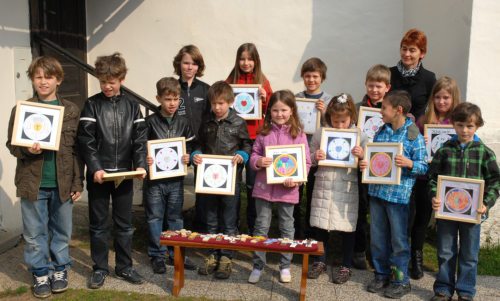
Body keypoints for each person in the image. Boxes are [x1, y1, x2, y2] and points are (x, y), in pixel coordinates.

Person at [6, 56, 83, 298]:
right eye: (38, 76)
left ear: (58, 80)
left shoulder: (70, 110)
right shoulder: (22, 110)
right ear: (32, 79)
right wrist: (27, 149)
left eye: (48, 77)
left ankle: (59, 269)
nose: (43, 81)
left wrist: (77, 182)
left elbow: (76, 151)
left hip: (62, 182)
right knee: (34, 234)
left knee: (61, 231)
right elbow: (12, 145)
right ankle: (40, 272)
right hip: (33, 183)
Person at [78, 53, 148, 289]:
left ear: (122, 79)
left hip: (124, 176)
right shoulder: (92, 104)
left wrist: (140, 165)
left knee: (125, 225)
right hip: (99, 177)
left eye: (112, 82)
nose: (107, 86)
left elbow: (139, 140)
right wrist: (95, 168)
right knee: (98, 225)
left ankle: (125, 267)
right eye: (103, 82)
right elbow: (86, 140)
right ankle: (99, 268)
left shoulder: (132, 106)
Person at [359, 90, 428, 298]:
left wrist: (410, 164)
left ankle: (400, 280)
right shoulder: (383, 130)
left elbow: (424, 166)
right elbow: (377, 159)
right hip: (378, 193)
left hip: (399, 198)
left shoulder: (413, 134)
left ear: (398, 110)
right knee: (378, 238)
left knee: (398, 241)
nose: (380, 111)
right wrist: (366, 162)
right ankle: (381, 274)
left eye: (384, 108)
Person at [428, 102, 500, 301]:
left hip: (473, 214)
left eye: (470, 126)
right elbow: (433, 177)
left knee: (469, 254)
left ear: (477, 126)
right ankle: (443, 289)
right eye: (460, 125)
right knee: (445, 251)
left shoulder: (484, 152)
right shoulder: (444, 150)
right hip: (446, 213)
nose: (465, 130)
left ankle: (466, 291)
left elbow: (495, 180)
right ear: (453, 125)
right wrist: (435, 196)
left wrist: (486, 202)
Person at [247, 90, 311, 284]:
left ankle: (285, 266)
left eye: (283, 110)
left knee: (286, 227)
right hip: (264, 188)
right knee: (261, 227)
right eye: (275, 110)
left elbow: (306, 162)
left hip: (287, 189)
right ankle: (258, 266)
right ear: (269, 112)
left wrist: (298, 179)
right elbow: (253, 155)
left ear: (291, 110)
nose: (279, 114)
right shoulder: (263, 133)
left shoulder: (299, 134)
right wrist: (259, 161)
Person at [192, 81, 252, 279]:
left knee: (228, 220)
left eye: (221, 104)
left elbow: (247, 145)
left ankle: (226, 257)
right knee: (209, 219)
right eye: (214, 104)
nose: (217, 108)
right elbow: (198, 144)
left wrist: (243, 155)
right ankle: (211, 255)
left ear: (230, 102)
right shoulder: (206, 122)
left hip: (230, 181)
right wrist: (196, 154)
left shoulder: (238, 122)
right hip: (208, 181)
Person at [307, 93, 367, 283]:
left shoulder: (360, 135)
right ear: (329, 118)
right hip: (324, 183)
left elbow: (368, 162)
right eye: (335, 121)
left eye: (344, 121)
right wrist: (316, 155)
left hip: (347, 185)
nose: (339, 125)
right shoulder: (320, 133)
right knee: (321, 224)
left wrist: (362, 155)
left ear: (352, 118)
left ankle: (346, 264)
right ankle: (320, 261)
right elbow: (309, 158)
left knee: (348, 225)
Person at [409, 76, 461, 279]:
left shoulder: (458, 122)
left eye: (446, 98)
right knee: (420, 220)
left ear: (453, 98)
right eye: (438, 97)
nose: (441, 102)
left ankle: (446, 264)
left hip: (450, 180)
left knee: (447, 225)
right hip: (425, 179)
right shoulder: (425, 120)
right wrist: (422, 143)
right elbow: (414, 148)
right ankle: (416, 258)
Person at [143, 77, 197, 274]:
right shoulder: (149, 122)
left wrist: (188, 156)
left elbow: (190, 147)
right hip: (154, 182)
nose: (172, 103)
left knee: (175, 217)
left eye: (175, 99)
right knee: (154, 217)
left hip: (176, 181)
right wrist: (145, 161)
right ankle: (157, 254)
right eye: (167, 99)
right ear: (158, 99)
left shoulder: (183, 123)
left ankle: (176, 253)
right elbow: (141, 148)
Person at [225, 42, 273, 235]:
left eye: (249, 59)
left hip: (255, 139)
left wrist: (265, 97)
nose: (246, 63)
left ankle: (255, 229)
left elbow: (272, 110)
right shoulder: (231, 80)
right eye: (242, 59)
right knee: (233, 184)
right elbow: (223, 104)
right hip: (235, 139)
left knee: (254, 186)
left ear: (256, 61)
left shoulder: (262, 81)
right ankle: (232, 228)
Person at [354, 64, 392, 270]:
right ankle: (359, 250)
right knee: (360, 209)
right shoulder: (358, 109)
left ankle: (378, 252)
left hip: (383, 171)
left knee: (380, 213)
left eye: (379, 86)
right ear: (366, 85)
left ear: (387, 87)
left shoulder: (393, 111)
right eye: (371, 86)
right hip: (361, 167)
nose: (374, 90)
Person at [173, 45, 211, 233]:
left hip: (201, 146)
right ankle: (176, 227)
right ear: (179, 64)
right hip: (177, 146)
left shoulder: (205, 90)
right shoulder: (172, 88)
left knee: (203, 189)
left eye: (194, 64)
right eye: (186, 63)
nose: (189, 67)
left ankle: (201, 227)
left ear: (199, 67)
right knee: (175, 188)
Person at [295, 57, 333, 239]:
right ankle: (295, 233)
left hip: (317, 155)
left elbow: (335, 128)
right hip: (298, 154)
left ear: (322, 78)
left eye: (315, 76)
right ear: (303, 77)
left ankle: (312, 235)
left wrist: (325, 113)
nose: (311, 80)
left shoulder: (329, 100)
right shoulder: (296, 99)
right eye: (308, 76)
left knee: (313, 197)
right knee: (294, 195)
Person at [390, 28, 436, 121]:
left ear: (422, 53)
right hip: (390, 130)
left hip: (417, 133)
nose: (407, 54)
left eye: (412, 50)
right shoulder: (389, 74)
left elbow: (433, 108)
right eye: (404, 49)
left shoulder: (429, 78)